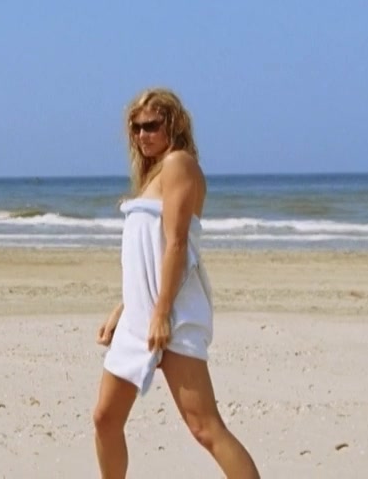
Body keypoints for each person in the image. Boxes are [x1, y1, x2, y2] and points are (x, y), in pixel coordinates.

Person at [92, 87, 260, 478]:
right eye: (136, 128)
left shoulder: (179, 164)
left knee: (205, 427)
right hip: (142, 316)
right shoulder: (154, 174)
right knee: (105, 418)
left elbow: (177, 244)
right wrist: (124, 308)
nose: (142, 134)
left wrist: (161, 312)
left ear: (174, 124)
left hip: (173, 313)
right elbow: (147, 257)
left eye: (151, 125)